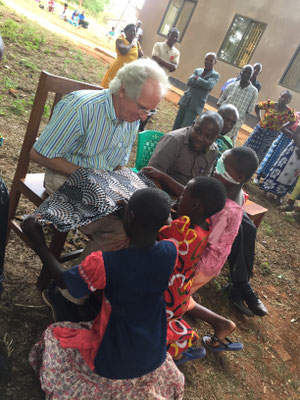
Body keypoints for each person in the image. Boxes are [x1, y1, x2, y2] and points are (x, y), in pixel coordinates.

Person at [21, 188, 185, 399]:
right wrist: (133, 213)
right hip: (152, 350)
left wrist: (38, 242)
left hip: (112, 356)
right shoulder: (171, 250)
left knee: (53, 337)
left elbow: (65, 281)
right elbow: (161, 226)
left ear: (130, 217)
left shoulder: (105, 264)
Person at [29, 59, 168, 256]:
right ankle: (70, 285)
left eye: (150, 111)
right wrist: (89, 176)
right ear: (122, 90)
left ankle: (99, 279)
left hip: (103, 184)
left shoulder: (132, 118)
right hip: (67, 181)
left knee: (144, 220)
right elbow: (38, 153)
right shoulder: (81, 108)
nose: (145, 117)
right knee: (122, 230)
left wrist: (128, 188)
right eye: (142, 108)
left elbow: (118, 165)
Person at [142, 170, 242, 355]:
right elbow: (173, 227)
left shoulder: (180, 232)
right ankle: (181, 338)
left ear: (195, 204)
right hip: (180, 293)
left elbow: (159, 231)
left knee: (147, 324)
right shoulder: (204, 230)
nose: (180, 199)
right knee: (166, 319)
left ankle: (173, 346)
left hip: (164, 292)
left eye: (183, 196)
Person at [186, 147, 268, 317]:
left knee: (180, 291)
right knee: (184, 292)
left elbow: (207, 241)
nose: (219, 166)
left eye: (224, 165)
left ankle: (190, 311)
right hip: (211, 263)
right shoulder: (232, 193)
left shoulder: (226, 210)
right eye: (221, 161)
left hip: (201, 262)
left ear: (239, 177)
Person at [148, 111, 223, 185]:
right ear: (193, 125)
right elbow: (151, 175)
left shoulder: (213, 151)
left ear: (216, 138)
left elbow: (202, 183)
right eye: (198, 131)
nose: (200, 138)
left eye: (208, 137)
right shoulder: (174, 141)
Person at [243, 91, 296, 167]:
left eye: (286, 99)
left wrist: (283, 127)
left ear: (289, 101)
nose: (283, 99)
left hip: (271, 135)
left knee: (260, 153)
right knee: (249, 146)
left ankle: (250, 168)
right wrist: (259, 118)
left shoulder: (289, 112)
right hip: (260, 131)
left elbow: (293, 121)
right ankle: (241, 162)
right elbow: (257, 106)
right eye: (282, 97)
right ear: (279, 96)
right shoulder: (270, 104)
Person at [173, 53, 220, 130]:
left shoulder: (215, 75)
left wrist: (196, 79)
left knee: (185, 128)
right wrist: (201, 83)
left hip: (195, 105)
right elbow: (189, 82)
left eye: (210, 60)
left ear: (215, 62)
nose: (207, 61)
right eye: (206, 59)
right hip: (185, 101)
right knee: (176, 124)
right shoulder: (198, 70)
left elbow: (209, 85)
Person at [254, 112, 299, 185]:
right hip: (284, 139)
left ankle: (268, 179)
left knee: (281, 162)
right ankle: (259, 176)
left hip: (294, 145)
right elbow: (283, 127)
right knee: (273, 156)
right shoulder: (295, 115)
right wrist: (294, 135)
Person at [217, 64, 258, 144]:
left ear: (252, 75)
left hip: (235, 123)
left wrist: (234, 119)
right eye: (244, 72)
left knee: (225, 143)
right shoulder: (231, 86)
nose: (246, 74)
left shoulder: (254, 92)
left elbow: (248, 110)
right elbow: (220, 102)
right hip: (221, 119)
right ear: (240, 72)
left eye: (249, 73)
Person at [259, 125, 300, 204]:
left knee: (291, 175)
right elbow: (296, 133)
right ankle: (267, 188)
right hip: (293, 149)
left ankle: (279, 195)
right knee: (279, 168)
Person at [101, 24, 143, 89]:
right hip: (118, 68)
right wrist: (131, 44)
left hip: (129, 72)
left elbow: (141, 55)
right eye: (131, 31)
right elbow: (123, 50)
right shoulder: (120, 39)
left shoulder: (137, 44)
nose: (133, 33)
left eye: (134, 31)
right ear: (126, 32)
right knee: (110, 87)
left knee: (121, 90)